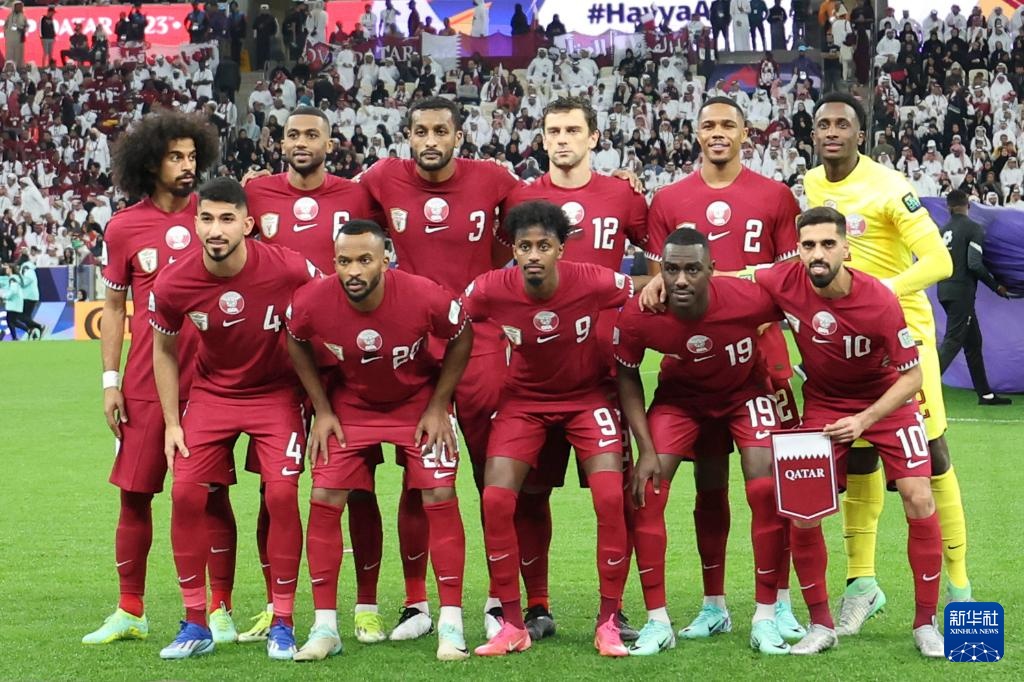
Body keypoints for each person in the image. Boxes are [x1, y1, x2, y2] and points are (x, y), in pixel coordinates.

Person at [802, 92, 973, 635]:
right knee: (856, 455)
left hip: (902, 338)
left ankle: (960, 589)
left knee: (933, 456)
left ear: (861, 134)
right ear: (814, 134)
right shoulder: (810, 184)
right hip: (842, 346)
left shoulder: (891, 187)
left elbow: (939, 261)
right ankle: (862, 584)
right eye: (823, 124)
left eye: (842, 124)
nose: (832, 132)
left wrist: (875, 297)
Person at [355, 96, 523, 641]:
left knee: (490, 477)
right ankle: (416, 604)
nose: (430, 140)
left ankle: (499, 599)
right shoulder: (382, 177)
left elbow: (542, 212)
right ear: (408, 135)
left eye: (440, 131)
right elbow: (335, 206)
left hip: (479, 344)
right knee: (417, 479)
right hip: (414, 347)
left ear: (458, 137)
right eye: (421, 131)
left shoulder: (492, 179)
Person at [641, 96, 804, 643]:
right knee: (708, 486)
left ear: (744, 133)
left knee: (771, 485)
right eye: (708, 124)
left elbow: (788, 280)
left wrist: (734, 294)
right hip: (692, 363)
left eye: (727, 125)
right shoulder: (669, 199)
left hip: (760, 360)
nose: (717, 132)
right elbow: (659, 284)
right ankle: (714, 605)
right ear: (696, 133)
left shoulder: (775, 195)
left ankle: (779, 602)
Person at [755, 206, 945, 658]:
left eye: (827, 244)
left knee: (919, 495)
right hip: (824, 404)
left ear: (846, 248)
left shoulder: (878, 299)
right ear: (798, 249)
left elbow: (912, 377)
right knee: (803, 510)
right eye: (808, 245)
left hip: (886, 402)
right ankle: (821, 625)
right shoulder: (783, 280)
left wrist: (864, 421)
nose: (817, 254)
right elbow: (732, 279)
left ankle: (926, 624)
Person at [286, 220, 473, 661]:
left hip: (418, 402)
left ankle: (451, 625)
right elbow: (294, 339)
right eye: (344, 261)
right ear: (333, 262)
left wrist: (439, 404)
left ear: (385, 260)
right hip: (352, 405)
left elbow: (462, 334)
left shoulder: (424, 295)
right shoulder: (311, 300)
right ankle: (325, 628)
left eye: (364, 260)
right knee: (324, 494)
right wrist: (322, 409)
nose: (353, 270)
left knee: (439, 492)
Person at [502, 96, 649, 643]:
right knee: (531, 493)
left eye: (572, 130)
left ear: (594, 137)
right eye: (553, 131)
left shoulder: (622, 194)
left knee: (613, 496)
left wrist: (638, 322)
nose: (562, 139)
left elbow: (658, 264)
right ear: (542, 139)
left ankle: (614, 610)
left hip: (603, 373)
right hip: (536, 373)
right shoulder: (520, 197)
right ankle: (537, 605)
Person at [151, 177, 315, 660]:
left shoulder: (288, 266)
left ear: (248, 224)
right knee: (184, 493)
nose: (216, 230)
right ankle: (195, 622)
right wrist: (172, 422)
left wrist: (323, 398)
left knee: (281, 494)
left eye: (227, 219)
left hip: (276, 394)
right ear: (195, 223)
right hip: (212, 395)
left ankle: (283, 621)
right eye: (207, 219)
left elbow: (329, 305)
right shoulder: (174, 281)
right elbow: (163, 350)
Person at [82, 111, 228, 647]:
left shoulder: (214, 217)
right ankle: (130, 609)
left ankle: (220, 610)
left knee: (211, 496)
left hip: (210, 382)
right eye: (175, 157)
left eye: (192, 156)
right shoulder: (124, 227)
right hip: (144, 382)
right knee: (134, 494)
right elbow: (113, 308)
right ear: (150, 163)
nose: (187, 166)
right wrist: (110, 381)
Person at [243, 106, 387, 645]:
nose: (301, 142)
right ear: (280, 143)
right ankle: (273, 605)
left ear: (331, 144)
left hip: (341, 364)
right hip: (276, 363)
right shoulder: (255, 193)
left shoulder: (359, 195)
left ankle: (366, 606)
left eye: (312, 135)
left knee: (357, 487)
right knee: (273, 489)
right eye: (292, 134)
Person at [464, 200, 633, 657]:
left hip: (587, 399)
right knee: (496, 499)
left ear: (561, 248)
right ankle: (512, 624)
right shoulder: (490, 288)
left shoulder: (592, 280)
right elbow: (455, 324)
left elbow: (638, 293)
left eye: (544, 246)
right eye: (525, 246)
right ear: (513, 250)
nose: (534, 255)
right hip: (524, 402)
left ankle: (609, 621)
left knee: (610, 497)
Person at [619, 228, 792, 656]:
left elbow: (798, 304)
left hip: (745, 395)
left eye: (692, 269)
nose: (681, 280)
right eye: (671, 269)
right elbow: (626, 373)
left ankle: (767, 615)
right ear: (660, 270)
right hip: (681, 402)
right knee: (646, 492)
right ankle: (662, 620)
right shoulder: (641, 314)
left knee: (765, 487)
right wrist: (645, 449)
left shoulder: (747, 298)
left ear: (712, 270)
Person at [937, 190, 1013, 405]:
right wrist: (996, 286)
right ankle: (920, 387)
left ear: (948, 207)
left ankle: (985, 394)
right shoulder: (973, 228)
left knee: (973, 343)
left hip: (944, 290)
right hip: (961, 292)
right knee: (953, 341)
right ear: (968, 206)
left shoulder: (942, 231)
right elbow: (974, 264)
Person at [16, 256, 44, 339]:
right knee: (27, 317)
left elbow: (25, 282)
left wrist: (18, 280)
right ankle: (33, 333)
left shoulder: (25, 268)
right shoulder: (29, 268)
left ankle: (39, 326)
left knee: (20, 316)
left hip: (28, 296)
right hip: (31, 295)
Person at [4, 2, 28, 68]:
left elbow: (26, 26)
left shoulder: (23, 16)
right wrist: (6, 34)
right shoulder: (9, 16)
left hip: (19, 39)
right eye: (17, 6)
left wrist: (21, 29)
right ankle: (9, 68)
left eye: (20, 6)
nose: (19, 8)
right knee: (9, 54)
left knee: (18, 54)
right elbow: (5, 25)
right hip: (10, 39)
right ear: (14, 7)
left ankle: (18, 68)